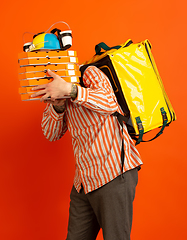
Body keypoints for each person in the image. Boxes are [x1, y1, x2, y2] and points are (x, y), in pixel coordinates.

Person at [31, 66, 143, 240]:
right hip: (84, 182)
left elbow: (109, 103)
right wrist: (59, 106)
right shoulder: (57, 90)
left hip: (113, 174)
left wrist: (71, 89)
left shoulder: (89, 73)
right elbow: (51, 134)